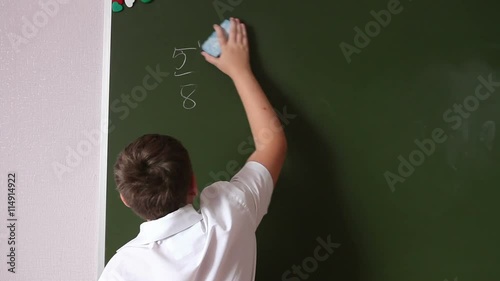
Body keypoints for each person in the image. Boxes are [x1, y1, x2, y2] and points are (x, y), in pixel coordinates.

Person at [99, 17, 287, 281]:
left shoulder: (121, 271)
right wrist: (240, 71)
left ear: (126, 200)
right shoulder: (229, 216)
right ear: (193, 183)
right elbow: (272, 143)